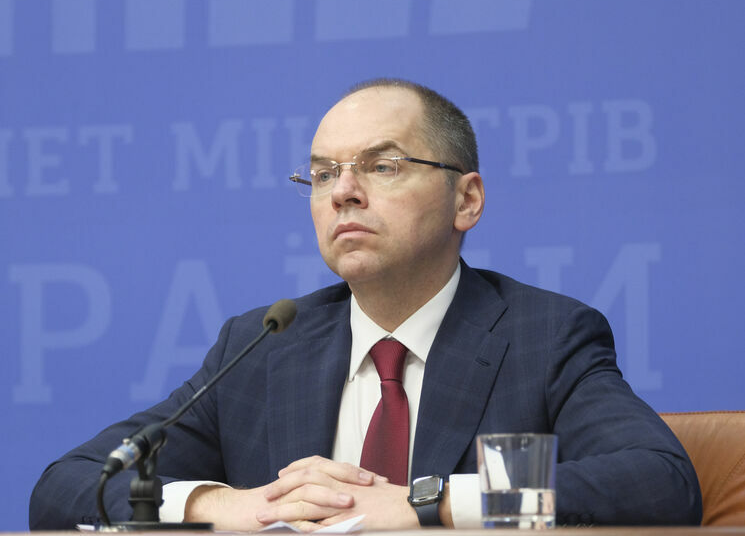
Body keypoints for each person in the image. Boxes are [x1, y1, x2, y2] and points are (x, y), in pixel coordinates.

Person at [29, 79, 702, 530]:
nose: (342, 192)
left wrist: (426, 501)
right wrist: (224, 504)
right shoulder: (263, 346)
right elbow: (65, 488)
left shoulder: (543, 337)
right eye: (323, 173)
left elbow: (658, 481)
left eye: (382, 166)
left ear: (466, 200)